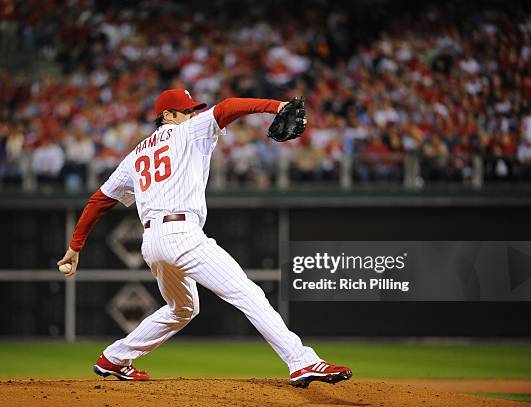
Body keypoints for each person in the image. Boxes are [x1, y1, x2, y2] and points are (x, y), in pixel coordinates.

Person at [57, 89, 352, 388]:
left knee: (182, 308)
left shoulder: (136, 156)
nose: (194, 114)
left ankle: (115, 358)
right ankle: (302, 362)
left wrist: (75, 246)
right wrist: (277, 106)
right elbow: (228, 107)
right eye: (187, 110)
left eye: (194, 111)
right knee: (247, 293)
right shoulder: (188, 131)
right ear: (168, 116)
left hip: (153, 242)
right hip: (182, 235)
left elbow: (99, 201)